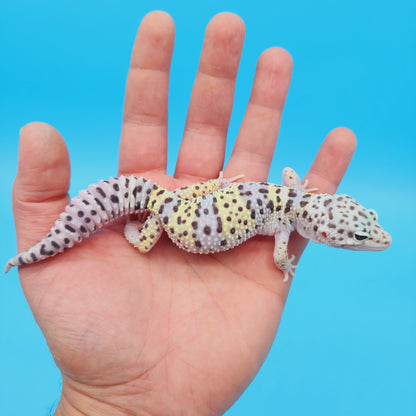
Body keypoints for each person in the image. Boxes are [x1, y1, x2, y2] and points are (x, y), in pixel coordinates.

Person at [12, 11, 356, 416]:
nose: (359, 241)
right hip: (172, 220)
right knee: (141, 246)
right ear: (323, 230)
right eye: (354, 235)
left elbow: (288, 173)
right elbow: (282, 257)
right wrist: (286, 265)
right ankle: (121, 235)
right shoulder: (285, 230)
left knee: (158, 210)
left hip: (184, 203)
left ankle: (115, 226)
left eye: (357, 233)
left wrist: (215, 188)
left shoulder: (288, 192)